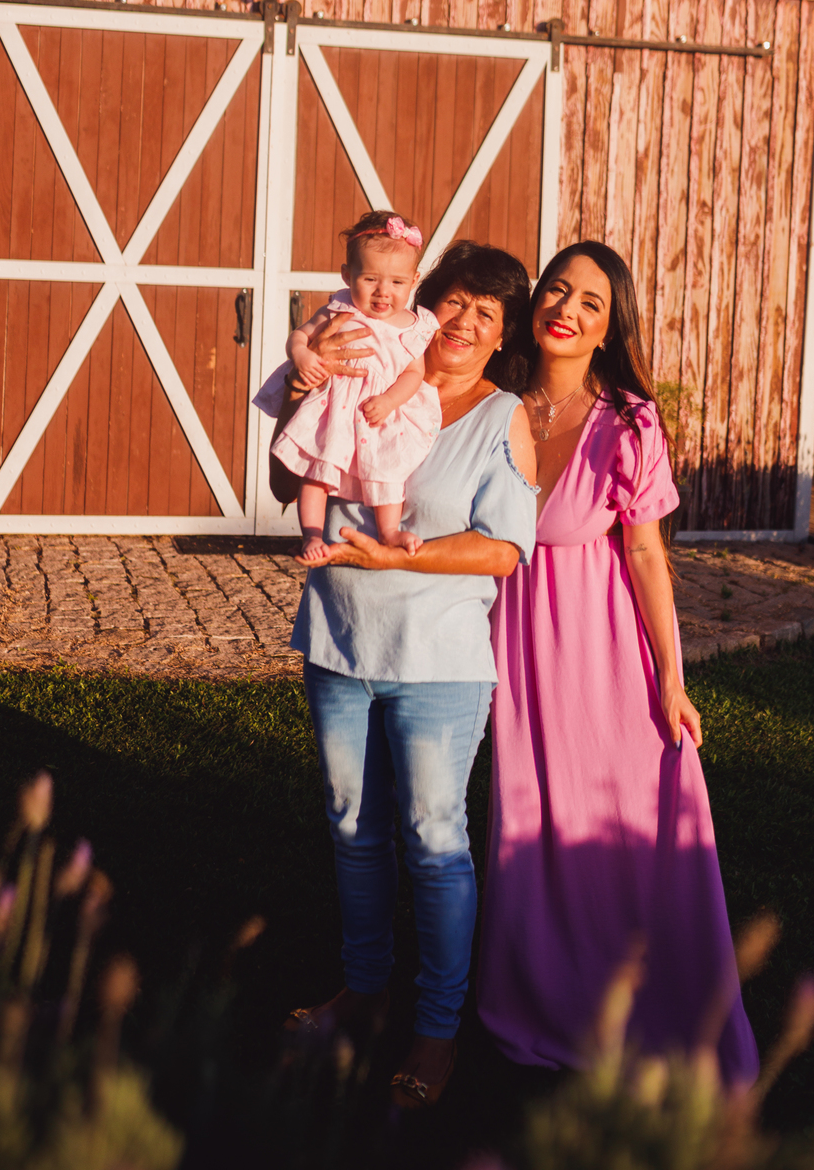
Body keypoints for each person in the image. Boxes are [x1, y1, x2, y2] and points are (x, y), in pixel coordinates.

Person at [477, 242, 759, 1085]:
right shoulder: (492, 405)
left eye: (591, 303)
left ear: (608, 327)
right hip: (512, 655)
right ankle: (540, 1003)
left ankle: (655, 1014)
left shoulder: (629, 422)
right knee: (530, 829)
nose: (567, 308)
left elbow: (644, 557)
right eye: (557, 290)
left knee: (621, 839)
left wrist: (670, 679)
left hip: (597, 662)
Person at [271, 241, 538, 1109]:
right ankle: (363, 989)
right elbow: (284, 475)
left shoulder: (502, 418)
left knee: (432, 837)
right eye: (456, 302)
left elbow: (505, 548)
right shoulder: (354, 349)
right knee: (353, 823)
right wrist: (302, 366)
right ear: (428, 304)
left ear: (502, 337)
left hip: (439, 667)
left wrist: (392, 559)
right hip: (337, 644)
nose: (464, 323)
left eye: (487, 315)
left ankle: (435, 1028)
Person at [266, 209, 441, 560]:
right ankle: (312, 535)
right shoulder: (339, 308)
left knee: (387, 470)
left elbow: (413, 373)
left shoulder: (413, 325)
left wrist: (391, 401)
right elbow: (300, 335)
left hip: (377, 412)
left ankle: (389, 531)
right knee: (317, 470)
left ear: (414, 280)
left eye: (397, 282)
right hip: (336, 409)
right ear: (348, 275)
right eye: (370, 279)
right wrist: (301, 355)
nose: (383, 292)